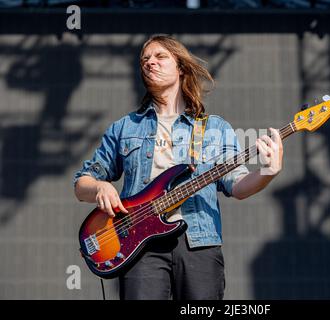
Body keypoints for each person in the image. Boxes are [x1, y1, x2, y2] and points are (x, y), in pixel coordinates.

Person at [73, 34, 284, 300]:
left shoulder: (214, 128)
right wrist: (100, 187)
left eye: (160, 57)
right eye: (145, 60)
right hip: (139, 248)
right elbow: (81, 184)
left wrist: (268, 172)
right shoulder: (125, 127)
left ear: (181, 67)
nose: (150, 63)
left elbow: (237, 186)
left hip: (199, 244)